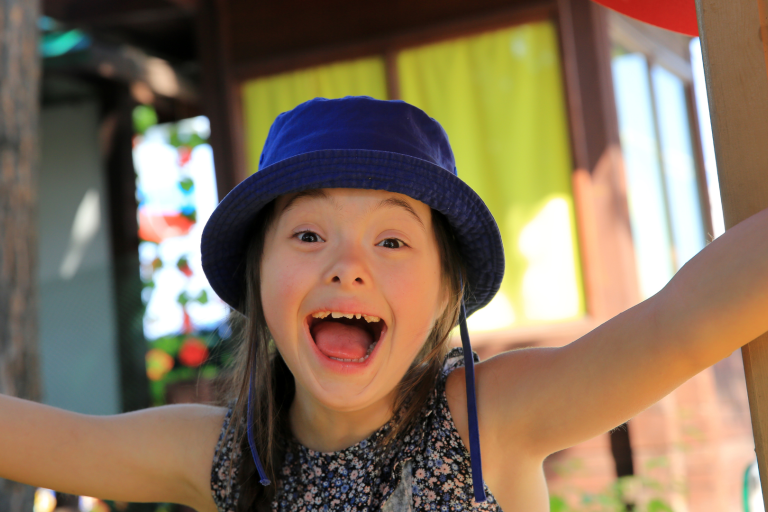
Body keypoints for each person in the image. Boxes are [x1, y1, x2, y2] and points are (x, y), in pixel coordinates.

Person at [1, 96, 767, 512]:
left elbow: (681, 324)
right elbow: (41, 440)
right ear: (259, 277)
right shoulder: (230, 459)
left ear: (444, 293)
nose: (348, 267)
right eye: (307, 233)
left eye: (392, 242)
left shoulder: (486, 419)